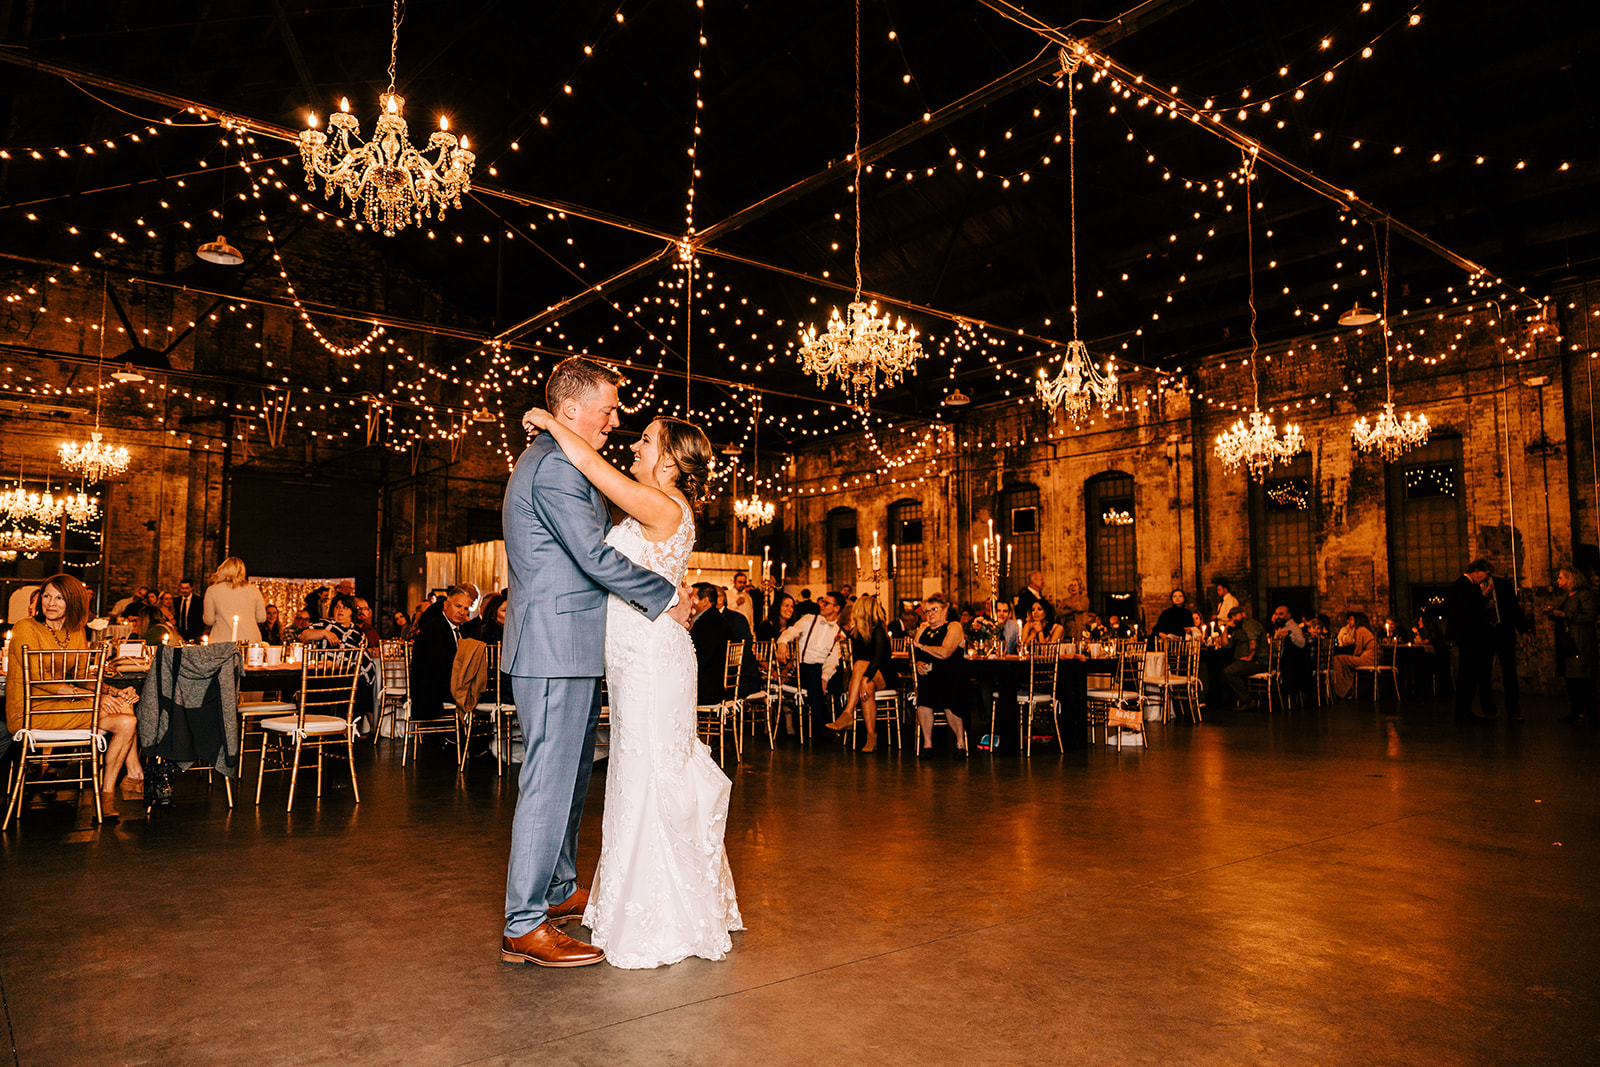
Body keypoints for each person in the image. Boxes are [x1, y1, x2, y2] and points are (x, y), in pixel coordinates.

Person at [511, 359, 733, 971]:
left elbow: (603, 498)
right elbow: (589, 553)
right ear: (574, 409)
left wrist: (667, 591)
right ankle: (524, 921)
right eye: (609, 411)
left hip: (630, 652)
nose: (619, 423)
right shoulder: (558, 463)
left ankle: (572, 892)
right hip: (570, 644)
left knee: (593, 776)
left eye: (640, 434)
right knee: (557, 781)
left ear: (666, 460)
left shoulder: (647, 498)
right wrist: (668, 593)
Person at [5, 574, 144, 806]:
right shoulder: (25, 628)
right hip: (31, 710)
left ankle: (109, 790)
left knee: (127, 712)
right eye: (47, 596)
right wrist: (93, 698)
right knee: (125, 719)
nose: (51, 603)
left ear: (73, 601)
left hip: (62, 705)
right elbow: (40, 680)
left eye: (59, 598)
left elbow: (81, 677)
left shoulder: (76, 630)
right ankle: (127, 779)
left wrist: (111, 692)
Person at [826, 594, 891, 752]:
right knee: (867, 688)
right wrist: (844, 637)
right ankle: (871, 738)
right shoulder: (858, 633)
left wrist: (865, 678)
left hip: (884, 676)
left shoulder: (879, 632)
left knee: (861, 665)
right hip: (869, 678)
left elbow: (877, 660)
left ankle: (848, 713)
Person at [777, 591, 846, 736]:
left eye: (826, 603)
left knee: (838, 683)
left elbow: (832, 660)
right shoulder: (809, 619)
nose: (821, 604)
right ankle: (823, 727)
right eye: (822, 601)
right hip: (805, 666)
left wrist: (825, 677)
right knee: (814, 680)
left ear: (836, 608)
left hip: (824, 668)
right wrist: (782, 642)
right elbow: (791, 631)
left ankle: (840, 723)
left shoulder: (838, 632)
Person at [912, 593, 967, 758]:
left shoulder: (954, 626)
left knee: (948, 699)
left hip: (952, 676)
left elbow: (945, 652)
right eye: (927, 611)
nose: (930, 614)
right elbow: (914, 654)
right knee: (923, 701)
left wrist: (921, 646)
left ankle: (960, 744)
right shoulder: (924, 630)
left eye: (934, 610)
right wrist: (917, 664)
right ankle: (927, 745)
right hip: (929, 678)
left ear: (945, 610)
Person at [412, 586, 472, 727]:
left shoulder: (462, 630)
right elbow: (439, 668)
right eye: (458, 606)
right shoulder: (434, 629)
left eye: (466, 608)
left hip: (451, 684)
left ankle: (465, 740)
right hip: (432, 689)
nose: (462, 612)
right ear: (446, 605)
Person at [1447, 560, 1495, 724]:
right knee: (1467, 675)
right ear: (1476, 571)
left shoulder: (1467, 585)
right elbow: (1468, 608)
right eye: (1485, 575)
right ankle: (1462, 713)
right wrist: (1484, 597)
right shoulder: (1463, 586)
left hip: (1470, 636)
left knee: (1470, 676)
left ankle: (1466, 711)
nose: (1485, 579)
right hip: (1468, 637)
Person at [1484, 561, 1531, 722]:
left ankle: (1513, 709)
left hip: (1504, 632)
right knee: (1485, 674)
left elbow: (1514, 608)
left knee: (1510, 672)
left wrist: (1523, 630)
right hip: (1485, 634)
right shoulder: (1475, 587)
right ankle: (1488, 709)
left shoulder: (1503, 585)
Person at [1548, 567, 1597, 723]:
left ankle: (1592, 712)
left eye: (1561, 578)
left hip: (1580, 640)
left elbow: (1590, 616)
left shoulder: (1585, 595)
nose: (1558, 581)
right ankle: (1576, 710)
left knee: (1583, 676)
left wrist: (1566, 615)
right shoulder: (1565, 597)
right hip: (1566, 640)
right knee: (1570, 677)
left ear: (1571, 579)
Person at [202, 556, 268, 643]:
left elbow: (209, 620)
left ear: (223, 570)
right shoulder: (254, 590)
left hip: (222, 640)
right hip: (250, 640)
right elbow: (261, 618)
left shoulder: (213, 590)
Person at [1220, 603, 1266, 709]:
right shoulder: (1238, 629)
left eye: (1235, 615)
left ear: (1243, 614)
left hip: (1257, 661)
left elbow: (1253, 641)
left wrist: (1249, 657)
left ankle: (1248, 700)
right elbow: (1226, 645)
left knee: (1229, 671)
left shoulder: (1250, 624)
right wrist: (1226, 628)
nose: (1233, 618)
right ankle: (1231, 700)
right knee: (1224, 668)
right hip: (1244, 661)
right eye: (1231, 617)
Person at [1331, 612, 1379, 699]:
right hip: (1373, 658)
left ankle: (1342, 690)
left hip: (1367, 659)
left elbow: (1358, 650)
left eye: (1352, 619)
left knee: (1337, 658)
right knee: (1345, 663)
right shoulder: (1366, 630)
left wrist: (1352, 656)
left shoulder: (1360, 630)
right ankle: (1347, 688)